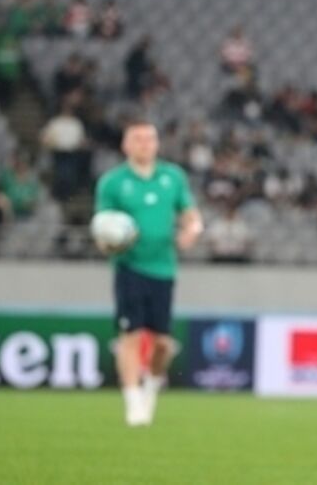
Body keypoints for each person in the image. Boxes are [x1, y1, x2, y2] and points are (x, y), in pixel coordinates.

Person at [94, 120, 203, 427]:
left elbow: (191, 214)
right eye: (137, 138)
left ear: (157, 144)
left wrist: (192, 230)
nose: (144, 144)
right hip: (129, 267)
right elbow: (102, 225)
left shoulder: (172, 177)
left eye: (149, 138)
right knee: (130, 336)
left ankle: (151, 387)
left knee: (163, 344)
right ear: (125, 145)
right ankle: (132, 403)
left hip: (164, 268)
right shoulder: (113, 182)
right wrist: (108, 241)